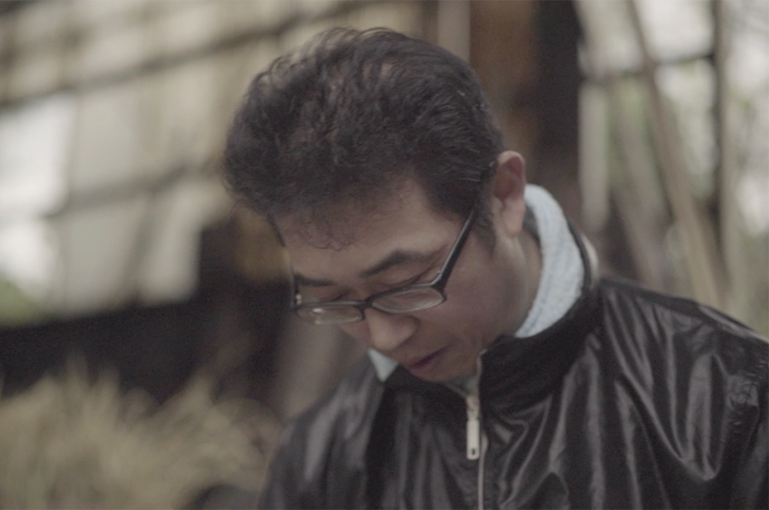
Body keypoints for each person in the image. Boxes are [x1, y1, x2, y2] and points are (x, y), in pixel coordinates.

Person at [223, 27, 769, 509]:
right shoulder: (318, 460)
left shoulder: (728, 402)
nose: (384, 338)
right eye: (334, 299)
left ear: (504, 195)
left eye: (404, 284)